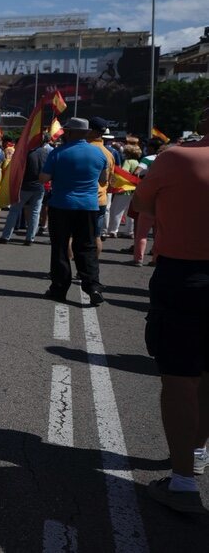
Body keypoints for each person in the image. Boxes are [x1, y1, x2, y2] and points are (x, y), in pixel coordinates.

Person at [133, 105, 209, 515]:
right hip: (186, 275)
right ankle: (197, 452)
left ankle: (181, 480)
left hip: (184, 277)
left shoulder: (177, 157)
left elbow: (142, 204)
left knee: (180, 378)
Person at [39, 118, 109, 305]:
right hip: (88, 206)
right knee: (87, 247)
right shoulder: (99, 153)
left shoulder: (58, 153)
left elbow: (43, 178)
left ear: (70, 133)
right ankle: (93, 286)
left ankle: (59, 289)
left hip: (61, 205)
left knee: (60, 248)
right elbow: (103, 180)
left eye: (66, 131)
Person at [0, 134, 51, 245]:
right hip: (39, 186)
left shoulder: (26, 152)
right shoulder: (46, 153)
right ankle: (30, 238)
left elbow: (17, 169)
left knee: (14, 211)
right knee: (35, 212)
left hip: (25, 186)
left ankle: (5, 237)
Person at [133, 137, 164, 266]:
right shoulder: (170, 161)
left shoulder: (148, 159)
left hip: (148, 198)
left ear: (151, 147)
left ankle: (138, 259)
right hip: (163, 200)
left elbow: (136, 172)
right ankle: (156, 258)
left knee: (142, 232)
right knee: (159, 232)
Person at [87, 117, 116, 250]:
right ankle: (94, 269)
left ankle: (65, 270)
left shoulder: (84, 149)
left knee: (73, 236)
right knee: (96, 236)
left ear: (90, 130)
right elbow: (110, 180)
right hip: (101, 199)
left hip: (84, 200)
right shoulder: (109, 154)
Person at [106, 143, 140, 238]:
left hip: (124, 189)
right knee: (130, 212)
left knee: (116, 210)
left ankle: (113, 230)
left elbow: (124, 173)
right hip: (134, 189)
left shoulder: (128, 161)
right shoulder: (137, 162)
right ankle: (129, 231)